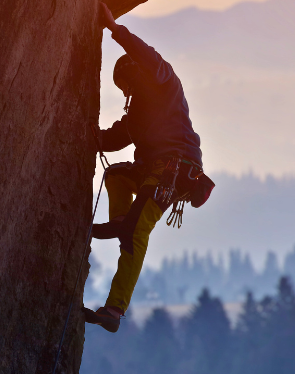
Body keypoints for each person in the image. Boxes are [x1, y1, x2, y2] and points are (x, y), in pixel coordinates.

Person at [83, 3, 213, 333]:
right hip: (154, 170)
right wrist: (83, 135)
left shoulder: (162, 79)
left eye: (127, 83)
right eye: (123, 88)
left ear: (135, 74)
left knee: (136, 234)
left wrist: (114, 29)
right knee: (115, 175)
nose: (127, 91)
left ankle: (114, 309)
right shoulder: (139, 113)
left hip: (175, 169)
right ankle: (122, 220)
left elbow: (145, 54)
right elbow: (115, 136)